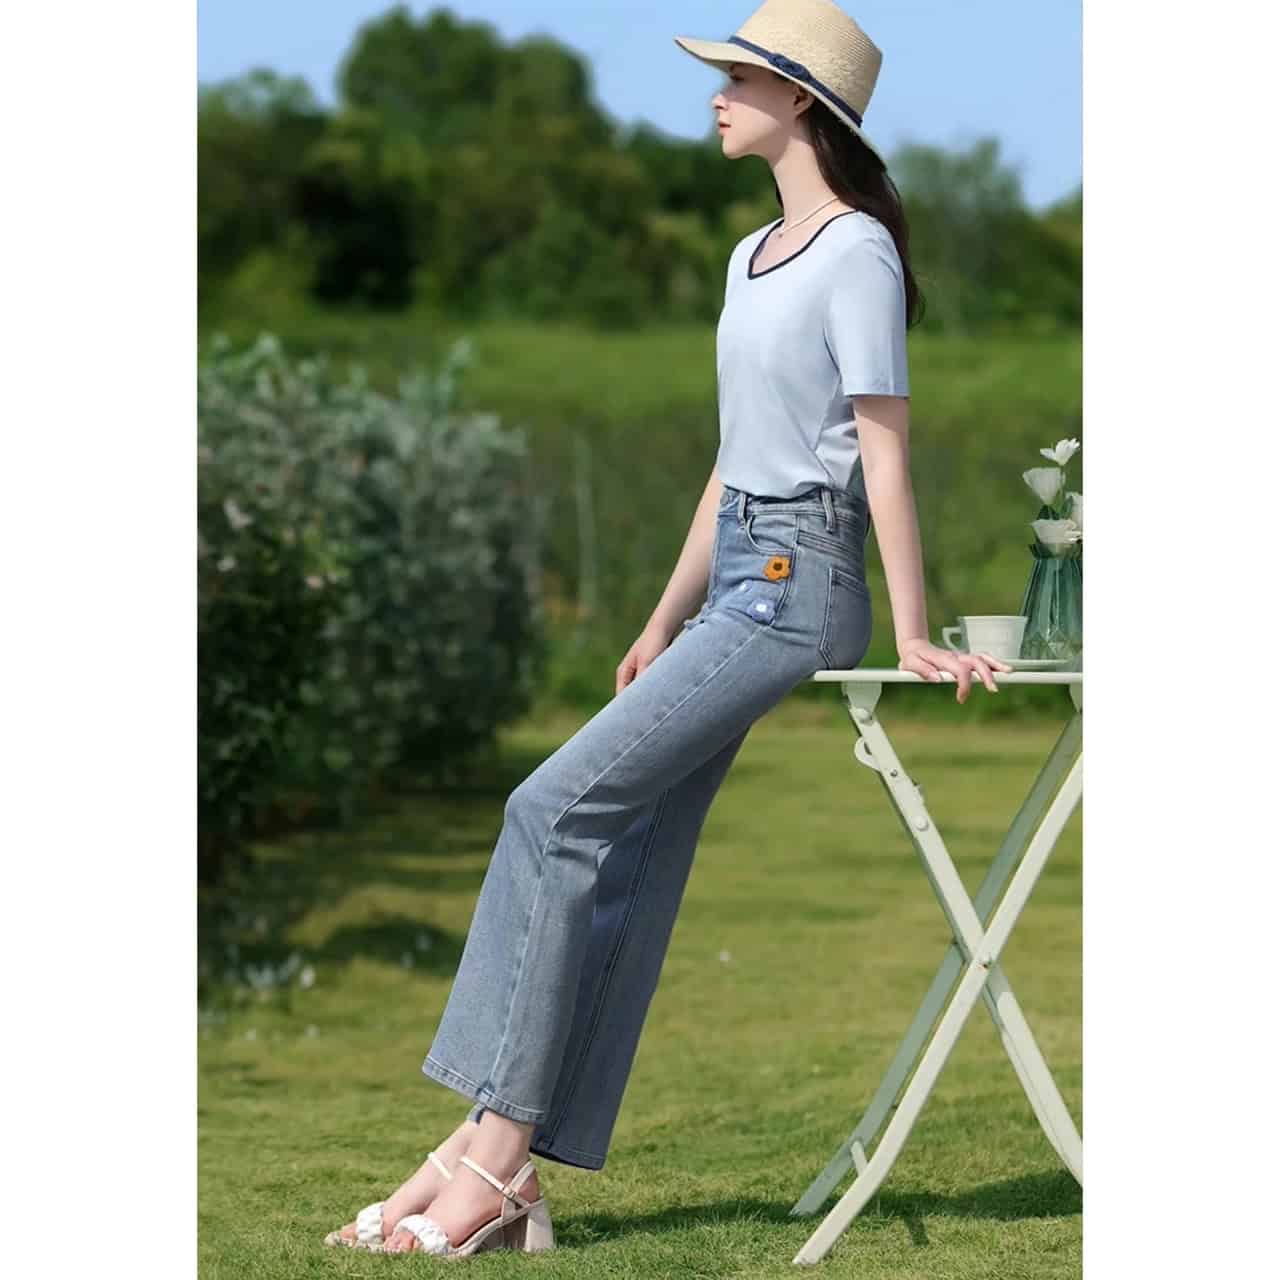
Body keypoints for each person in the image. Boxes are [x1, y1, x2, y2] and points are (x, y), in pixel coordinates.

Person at [325, 0, 1011, 1258]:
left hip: (801, 577)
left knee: (549, 805)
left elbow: (883, 448)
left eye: (736, 77)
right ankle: (501, 1163)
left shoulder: (853, 251)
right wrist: (661, 611)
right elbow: (727, 460)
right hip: (736, 571)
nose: (713, 95)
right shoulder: (750, 257)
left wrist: (909, 627)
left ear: (798, 100)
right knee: (621, 847)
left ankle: (486, 1154)